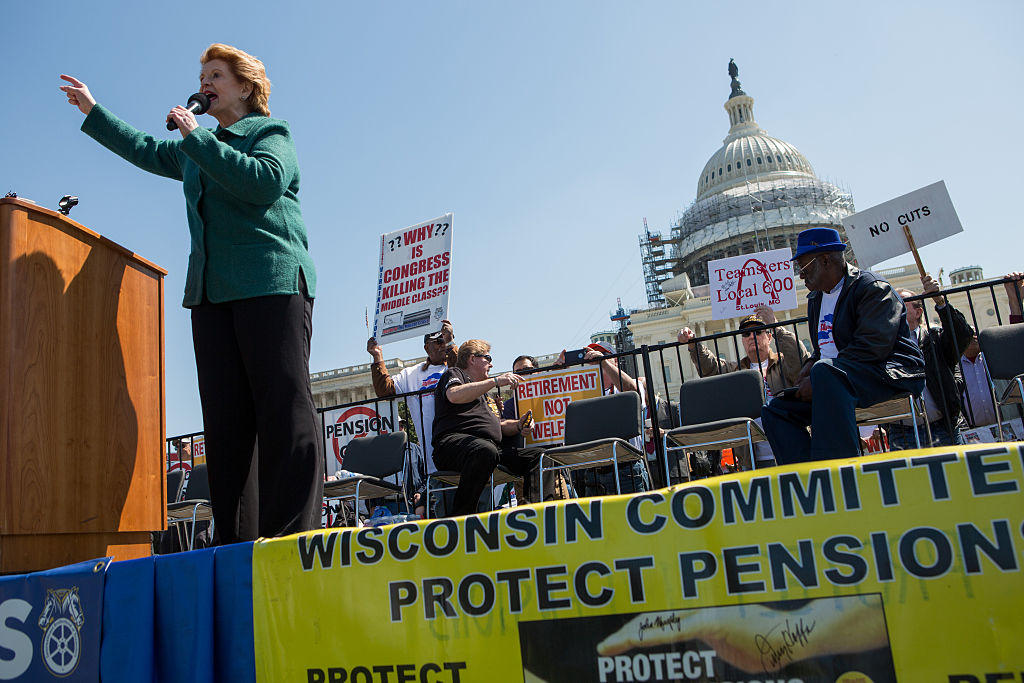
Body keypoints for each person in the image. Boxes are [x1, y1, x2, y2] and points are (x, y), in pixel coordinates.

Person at [60, 44, 321, 543]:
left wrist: (199, 139)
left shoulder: (269, 132)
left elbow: (264, 184)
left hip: (270, 283)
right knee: (226, 423)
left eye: (216, 75)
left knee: (282, 407)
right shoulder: (195, 148)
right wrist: (93, 110)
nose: (204, 82)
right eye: (202, 75)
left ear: (245, 87)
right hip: (211, 294)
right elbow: (144, 148)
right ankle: (235, 543)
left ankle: (292, 538)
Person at [761, 228, 925, 464]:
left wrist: (818, 375)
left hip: (888, 373)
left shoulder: (873, 288)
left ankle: (841, 471)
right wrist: (809, 365)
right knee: (775, 409)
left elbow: (873, 346)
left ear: (826, 260)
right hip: (837, 378)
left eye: (804, 268)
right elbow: (825, 347)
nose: (800, 276)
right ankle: (808, 478)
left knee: (825, 374)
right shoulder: (816, 299)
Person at [679, 305, 809, 470]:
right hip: (752, 459)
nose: (751, 337)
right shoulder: (736, 371)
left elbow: (800, 359)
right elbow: (710, 368)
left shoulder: (783, 364)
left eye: (758, 331)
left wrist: (776, 326)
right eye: (746, 334)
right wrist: (693, 345)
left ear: (769, 337)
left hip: (790, 450)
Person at [432, 340, 535, 516]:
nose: (492, 364)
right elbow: (454, 395)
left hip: (488, 449)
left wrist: (519, 424)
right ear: (472, 359)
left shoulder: (485, 394)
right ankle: (462, 517)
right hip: (453, 446)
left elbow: (500, 425)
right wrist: (495, 381)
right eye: (488, 358)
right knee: (484, 450)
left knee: (538, 456)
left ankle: (535, 511)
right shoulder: (454, 373)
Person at [367, 321, 457, 513]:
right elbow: (385, 391)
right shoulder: (412, 374)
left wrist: (451, 342)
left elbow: (465, 373)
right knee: (445, 514)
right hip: (433, 458)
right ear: (427, 347)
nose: (442, 345)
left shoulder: (456, 367)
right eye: (438, 342)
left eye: (444, 341)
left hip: (460, 448)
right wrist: (377, 357)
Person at [885, 276, 972, 449]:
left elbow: (962, 335)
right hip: (903, 432)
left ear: (918, 312)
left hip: (943, 428)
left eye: (902, 301)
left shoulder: (935, 339)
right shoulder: (885, 345)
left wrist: (940, 301)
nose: (894, 306)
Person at [559, 342, 651, 496]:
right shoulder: (582, 393)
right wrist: (557, 373)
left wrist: (604, 362)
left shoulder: (633, 383)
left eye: (603, 354)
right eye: (591, 357)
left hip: (626, 468)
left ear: (615, 361)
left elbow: (632, 392)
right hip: (593, 471)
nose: (595, 358)